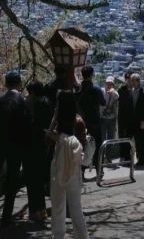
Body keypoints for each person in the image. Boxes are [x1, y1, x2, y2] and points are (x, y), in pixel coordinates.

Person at [0, 70, 32, 230]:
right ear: (19, 84)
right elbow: (27, 125)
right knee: (12, 181)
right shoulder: (22, 102)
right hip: (16, 145)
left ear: (6, 84)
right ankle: (6, 219)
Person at [48, 91, 89, 239]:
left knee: (58, 204)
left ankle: (58, 235)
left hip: (58, 163)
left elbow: (50, 135)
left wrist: (55, 117)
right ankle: (82, 236)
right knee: (75, 207)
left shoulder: (60, 122)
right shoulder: (77, 121)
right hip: (73, 166)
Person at [26, 80, 54, 222]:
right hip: (45, 145)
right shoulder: (48, 102)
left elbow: (33, 125)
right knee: (39, 180)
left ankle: (34, 212)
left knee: (32, 181)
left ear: (32, 93)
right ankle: (42, 211)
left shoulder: (35, 104)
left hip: (34, 146)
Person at [77, 65, 105, 169]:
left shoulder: (78, 90)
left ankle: (82, 170)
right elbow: (103, 102)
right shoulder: (96, 90)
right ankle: (98, 168)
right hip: (95, 122)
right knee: (97, 145)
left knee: (82, 145)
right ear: (92, 75)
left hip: (81, 122)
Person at [101, 76, 119, 162]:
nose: (108, 86)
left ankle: (108, 156)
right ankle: (102, 155)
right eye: (107, 84)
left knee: (111, 138)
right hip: (103, 118)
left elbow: (117, 105)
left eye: (110, 84)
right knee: (103, 137)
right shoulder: (102, 92)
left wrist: (113, 94)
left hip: (112, 119)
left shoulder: (115, 94)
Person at [117, 70, 134, 162]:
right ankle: (122, 156)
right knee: (121, 136)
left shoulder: (135, 90)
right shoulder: (121, 90)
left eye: (130, 79)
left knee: (129, 137)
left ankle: (128, 156)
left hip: (131, 118)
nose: (128, 81)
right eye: (127, 79)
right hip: (122, 117)